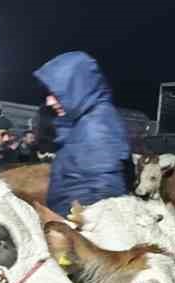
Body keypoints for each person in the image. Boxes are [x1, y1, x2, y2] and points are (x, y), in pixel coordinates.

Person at [33, 51, 130, 215]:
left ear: (77, 89)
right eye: (48, 94)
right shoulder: (81, 123)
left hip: (82, 229)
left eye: (56, 94)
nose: (49, 101)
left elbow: (105, 192)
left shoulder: (98, 125)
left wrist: (78, 229)